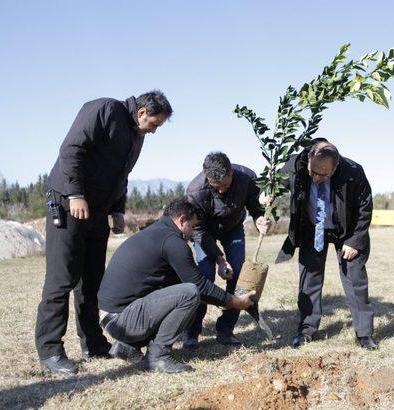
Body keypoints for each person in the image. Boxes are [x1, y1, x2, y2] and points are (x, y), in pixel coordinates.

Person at [35, 91, 173, 375]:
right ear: (143, 112)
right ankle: (50, 350)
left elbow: (122, 173)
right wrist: (75, 194)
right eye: (154, 125)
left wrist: (118, 209)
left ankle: (94, 344)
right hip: (67, 202)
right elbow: (72, 149)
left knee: (92, 281)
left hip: (97, 210)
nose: (154, 131)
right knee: (62, 278)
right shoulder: (104, 110)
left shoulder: (137, 135)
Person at [97, 198, 255, 373]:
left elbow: (176, 286)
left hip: (114, 318)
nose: (193, 233)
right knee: (190, 293)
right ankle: (158, 357)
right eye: (193, 226)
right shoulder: (173, 242)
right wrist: (235, 302)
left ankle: (127, 346)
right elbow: (198, 286)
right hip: (121, 320)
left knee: (188, 293)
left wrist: (218, 298)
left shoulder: (158, 233)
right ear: (181, 220)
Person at [272, 138, 376, 350]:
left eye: (325, 174)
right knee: (309, 279)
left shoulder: (353, 172)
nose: (318, 178)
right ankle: (306, 329)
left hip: (345, 229)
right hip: (312, 226)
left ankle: (364, 334)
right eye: (314, 172)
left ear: (335, 166)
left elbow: (365, 207)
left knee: (355, 278)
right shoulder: (295, 165)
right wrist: (268, 194)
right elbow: (275, 183)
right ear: (309, 159)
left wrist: (354, 240)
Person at [182, 152, 272, 348]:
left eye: (225, 184)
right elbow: (197, 230)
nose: (222, 191)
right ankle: (192, 331)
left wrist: (260, 220)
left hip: (233, 229)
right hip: (205, 233)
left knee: (239, 275)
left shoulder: (247, 178)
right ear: (207, 178)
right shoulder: (195, 191)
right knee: (203, 277)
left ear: (231, 172)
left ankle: (226, 329)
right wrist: (220, 260)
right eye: (217, 187)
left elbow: (257, 207)